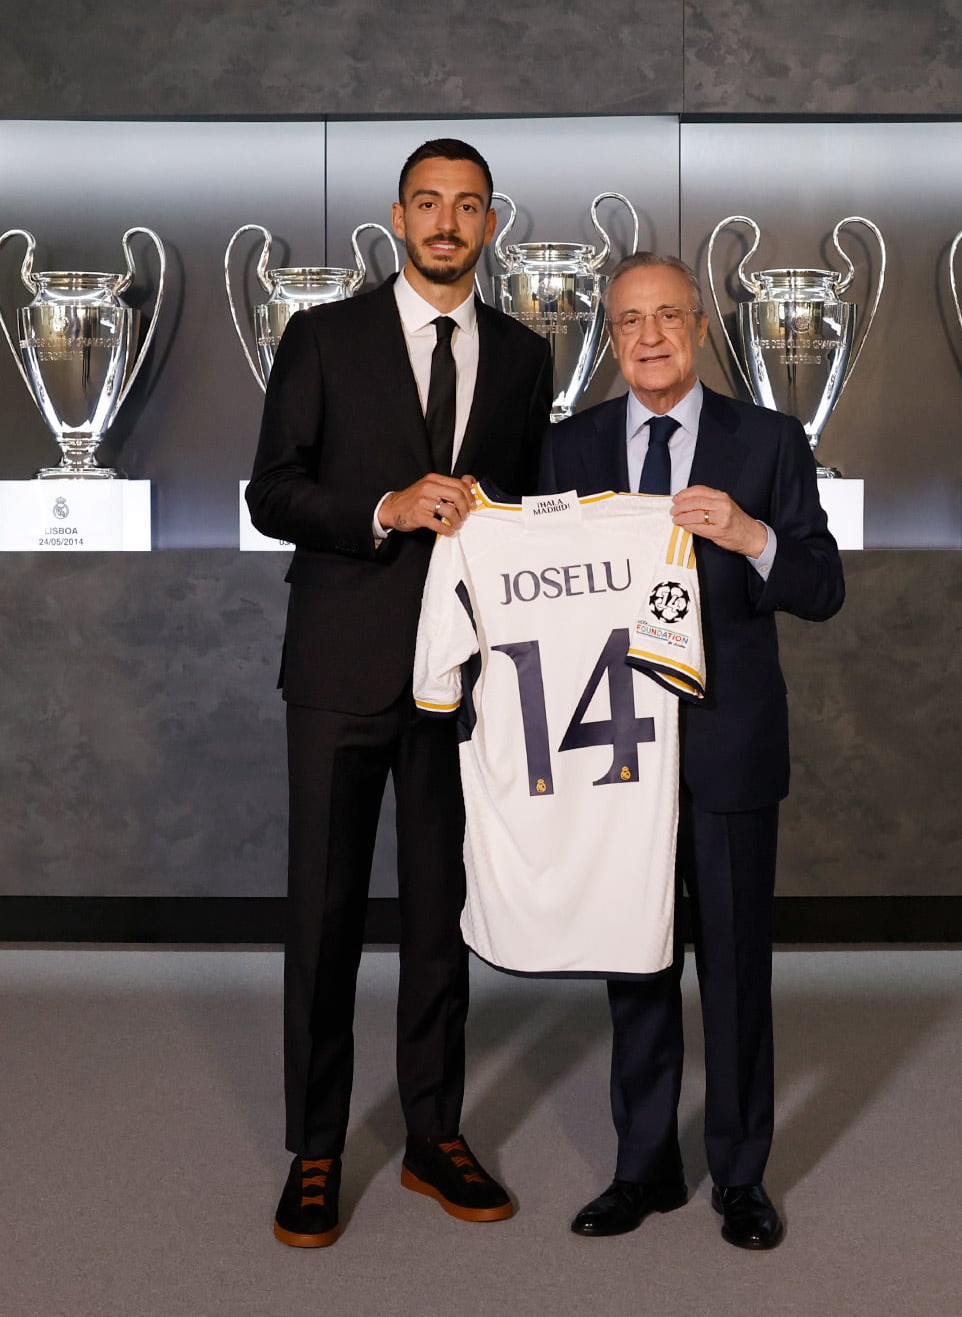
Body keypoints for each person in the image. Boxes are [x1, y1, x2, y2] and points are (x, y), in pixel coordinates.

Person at [247, 138, 552, 1248]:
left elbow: (530, 510)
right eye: (428, 202)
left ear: (489, 223)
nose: (446, 222)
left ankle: (434, 1134)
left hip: (464, 681)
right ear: (396, 216)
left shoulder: (525, 354)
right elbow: (270, 494)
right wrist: (384, 506)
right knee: (323, 917)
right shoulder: (321, 336)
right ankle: (316, 1148)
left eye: (467, 206)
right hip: (339, 667)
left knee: (439, 918)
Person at [537, 251, 844, 1249]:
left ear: (702, 328)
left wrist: (755, 535)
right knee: (634, 965)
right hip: (614, 750)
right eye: (631, 321)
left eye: (669, 316)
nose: (652, 337)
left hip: (729, 748)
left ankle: (742, 1177)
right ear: (610, 337)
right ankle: (644, 1168)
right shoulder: (568, 448)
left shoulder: (769, 441)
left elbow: (820, 584)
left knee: (737, 972)